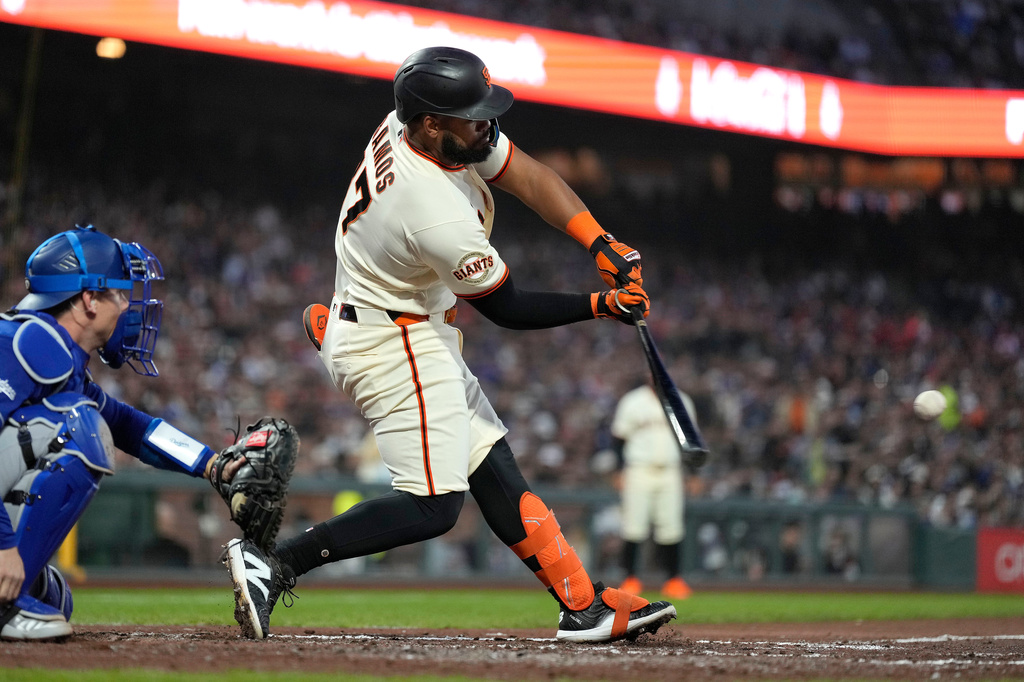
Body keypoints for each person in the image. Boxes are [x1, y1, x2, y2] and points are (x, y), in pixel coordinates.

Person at [225, 45, 677, 644]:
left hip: (403, 319)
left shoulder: (420, 125)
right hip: (393, 338)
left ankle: (584, 606)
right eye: (472, 113)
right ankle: (275, 563)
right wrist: (601, 306)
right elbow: (507, 309)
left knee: (491, 464)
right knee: (433, 506)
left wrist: (600, 243)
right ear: (434, 122)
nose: (486, 122)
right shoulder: (431, 207)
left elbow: (531, 176)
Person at [0, 224, 245, 640]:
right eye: (119, 294)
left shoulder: (53, 350)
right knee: (80, 426)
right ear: (88, 300)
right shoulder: (29, 343)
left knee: (56, 599)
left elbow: (132, 426)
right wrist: (4, 548)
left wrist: (212, 464)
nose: (129, 309)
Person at [611, 382, 694, 599]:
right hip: (639, 469)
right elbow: (619, 439)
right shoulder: (633, 401)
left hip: (671, 470)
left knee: (671, 525)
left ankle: (674, 580)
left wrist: (693, 474)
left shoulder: (681, 400)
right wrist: (618, 471)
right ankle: (629, 578)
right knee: (633, 525)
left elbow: (690, 441)